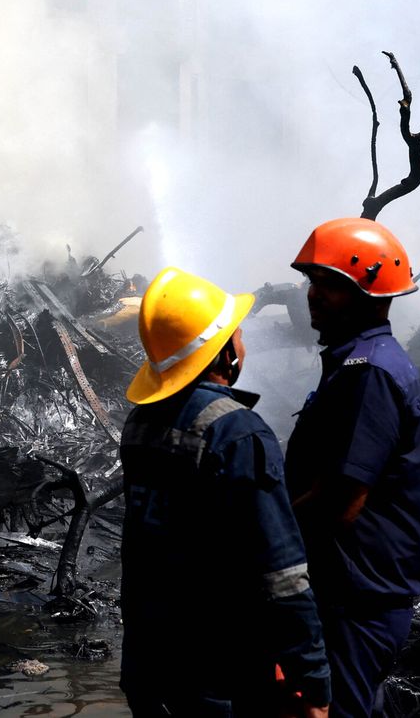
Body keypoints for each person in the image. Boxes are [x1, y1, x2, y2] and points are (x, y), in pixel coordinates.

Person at [121, 267, 330, 717]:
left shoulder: (138, 424)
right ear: (222, 353)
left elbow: (138, 551)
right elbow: (280, 570)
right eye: (236, 333)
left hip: (148, 663)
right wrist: (313, 680)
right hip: (218, 672)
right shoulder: (237, 432)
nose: (243, 339)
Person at [285, 218, 420, 718]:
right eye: (313, 282)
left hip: (356, 602)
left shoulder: (369, 373)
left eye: (329, 284)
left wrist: (269, 538)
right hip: (353, 594)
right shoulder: (361, 362)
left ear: (371, 293)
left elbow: (342, 502)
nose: (313, 295)